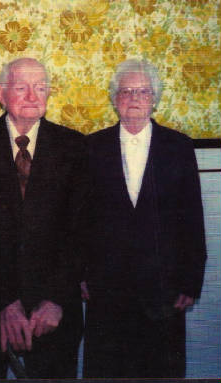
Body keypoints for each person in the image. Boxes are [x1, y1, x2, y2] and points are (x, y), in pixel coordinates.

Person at [0, 58, 87, 379]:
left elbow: (80, 232)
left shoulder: (74, 146)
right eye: (21, 87)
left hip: (51, 311)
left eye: (40, 87)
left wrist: (54, 299)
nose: (32, 96)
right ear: (1, 93)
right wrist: (6, 302)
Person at [82, 59, 207, 378]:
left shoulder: (178, 146)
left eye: (142, 91)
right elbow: (79, 219)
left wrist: (191, 280)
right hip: (106, 291)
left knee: (161, 370)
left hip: (164, 289)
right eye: (126, 91)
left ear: (155, 98)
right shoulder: (92, 147)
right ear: (114, 98)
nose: (134, 98)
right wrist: (79, 274)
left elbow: (192, 217)